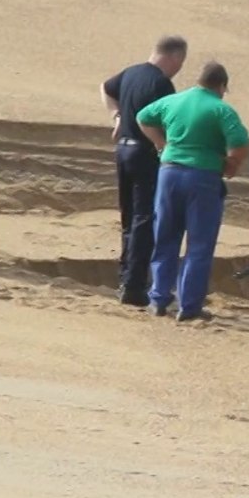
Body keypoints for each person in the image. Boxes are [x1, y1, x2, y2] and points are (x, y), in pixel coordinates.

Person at [136, 61, 249, 321]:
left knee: (165, 236)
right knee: (199, 244)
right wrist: (231, 164)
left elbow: (143, 117)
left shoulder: (173, 101)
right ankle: (189, 306)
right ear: (222, 86)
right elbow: (240, 143)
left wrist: (162, 144)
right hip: (203, 177)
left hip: (169, 173)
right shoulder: (221, 109)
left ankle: (158, 298)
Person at [99, 35, 187, 306]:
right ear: (174, 57)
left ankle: (126, 277)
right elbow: (168, 120)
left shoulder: (131, 72)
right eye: (180, 62)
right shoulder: (161, 83)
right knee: (143, 218)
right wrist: (165, 147)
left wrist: (116, 116)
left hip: (123, 150)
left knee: (130, 216)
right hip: (144, 152)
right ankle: (134, 285)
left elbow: (105, 88)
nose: (179, 68)